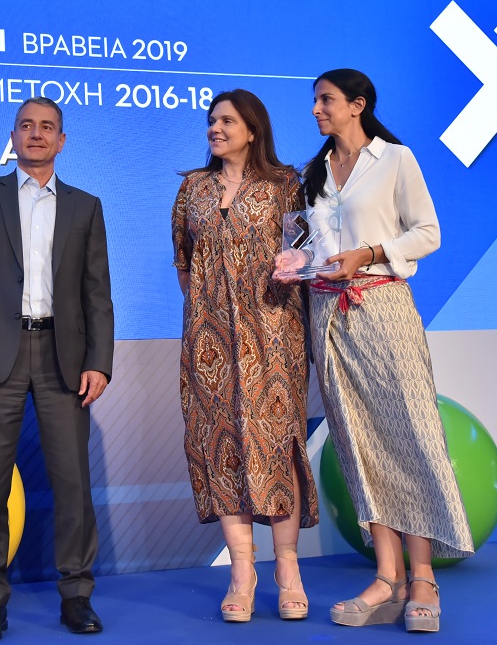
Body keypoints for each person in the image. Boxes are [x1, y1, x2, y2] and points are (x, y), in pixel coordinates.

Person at [276, 68, 473, 634]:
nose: (316, 109)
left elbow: (428, 232)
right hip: (328, 316)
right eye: (315, 100)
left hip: (382, 305)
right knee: (357, 443)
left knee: (411, 434)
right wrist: (297, 263)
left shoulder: (395, 159)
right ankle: (388, 578)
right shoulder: (313, 173)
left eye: (327, 100)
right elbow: (310, 242)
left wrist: (368, 252)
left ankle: (423, 577)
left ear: (358, 105)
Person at [0, 97, 114, 642]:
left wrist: (99, 362)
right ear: (13, 137)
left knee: (73, 484)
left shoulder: (86, 206)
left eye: (47, 127)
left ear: (61, 140)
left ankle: (76, 596)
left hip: (64, 358)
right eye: (26, 126)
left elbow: (97, 295)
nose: (36, 134)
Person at [171, 89, 319, 623]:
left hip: (275, 336)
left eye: (227, 121)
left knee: (277, 445)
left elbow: (306, 255)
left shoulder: (286, 186)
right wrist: (210, 313)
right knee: (221, 446)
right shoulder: (192, 189)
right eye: (212, 120)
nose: (216, 128)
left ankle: (288, 570)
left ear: (252, 130)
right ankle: (241, 573)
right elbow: (184, 264)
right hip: (208, 346)